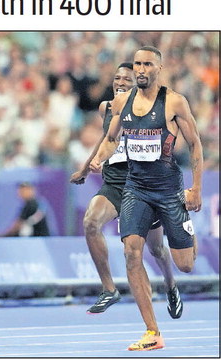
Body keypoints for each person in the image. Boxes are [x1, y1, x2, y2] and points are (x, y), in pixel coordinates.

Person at [90, 46, 204, 351]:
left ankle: (185, 243)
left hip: (168, 190)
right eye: (137, 64)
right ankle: (152, 331)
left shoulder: (174, 102)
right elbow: (112, 138)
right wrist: (99, 159)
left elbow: (195, 146)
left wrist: (196, 189)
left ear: (159, 68)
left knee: (186, 265)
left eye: (147, 64)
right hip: (136, 188)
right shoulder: (122, 101)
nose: (140, 69)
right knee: (131, 252)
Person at [70, 62, 180, 316]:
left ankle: (171, 286)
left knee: (156, 249)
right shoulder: (105, 108)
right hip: (115, 183)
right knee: (90, 223)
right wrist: (87, 168)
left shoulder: (151, 110)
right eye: (117, 78)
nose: (120, 83)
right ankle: (109, 289)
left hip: (142, 184)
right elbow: (105, 138)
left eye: (126, 80)